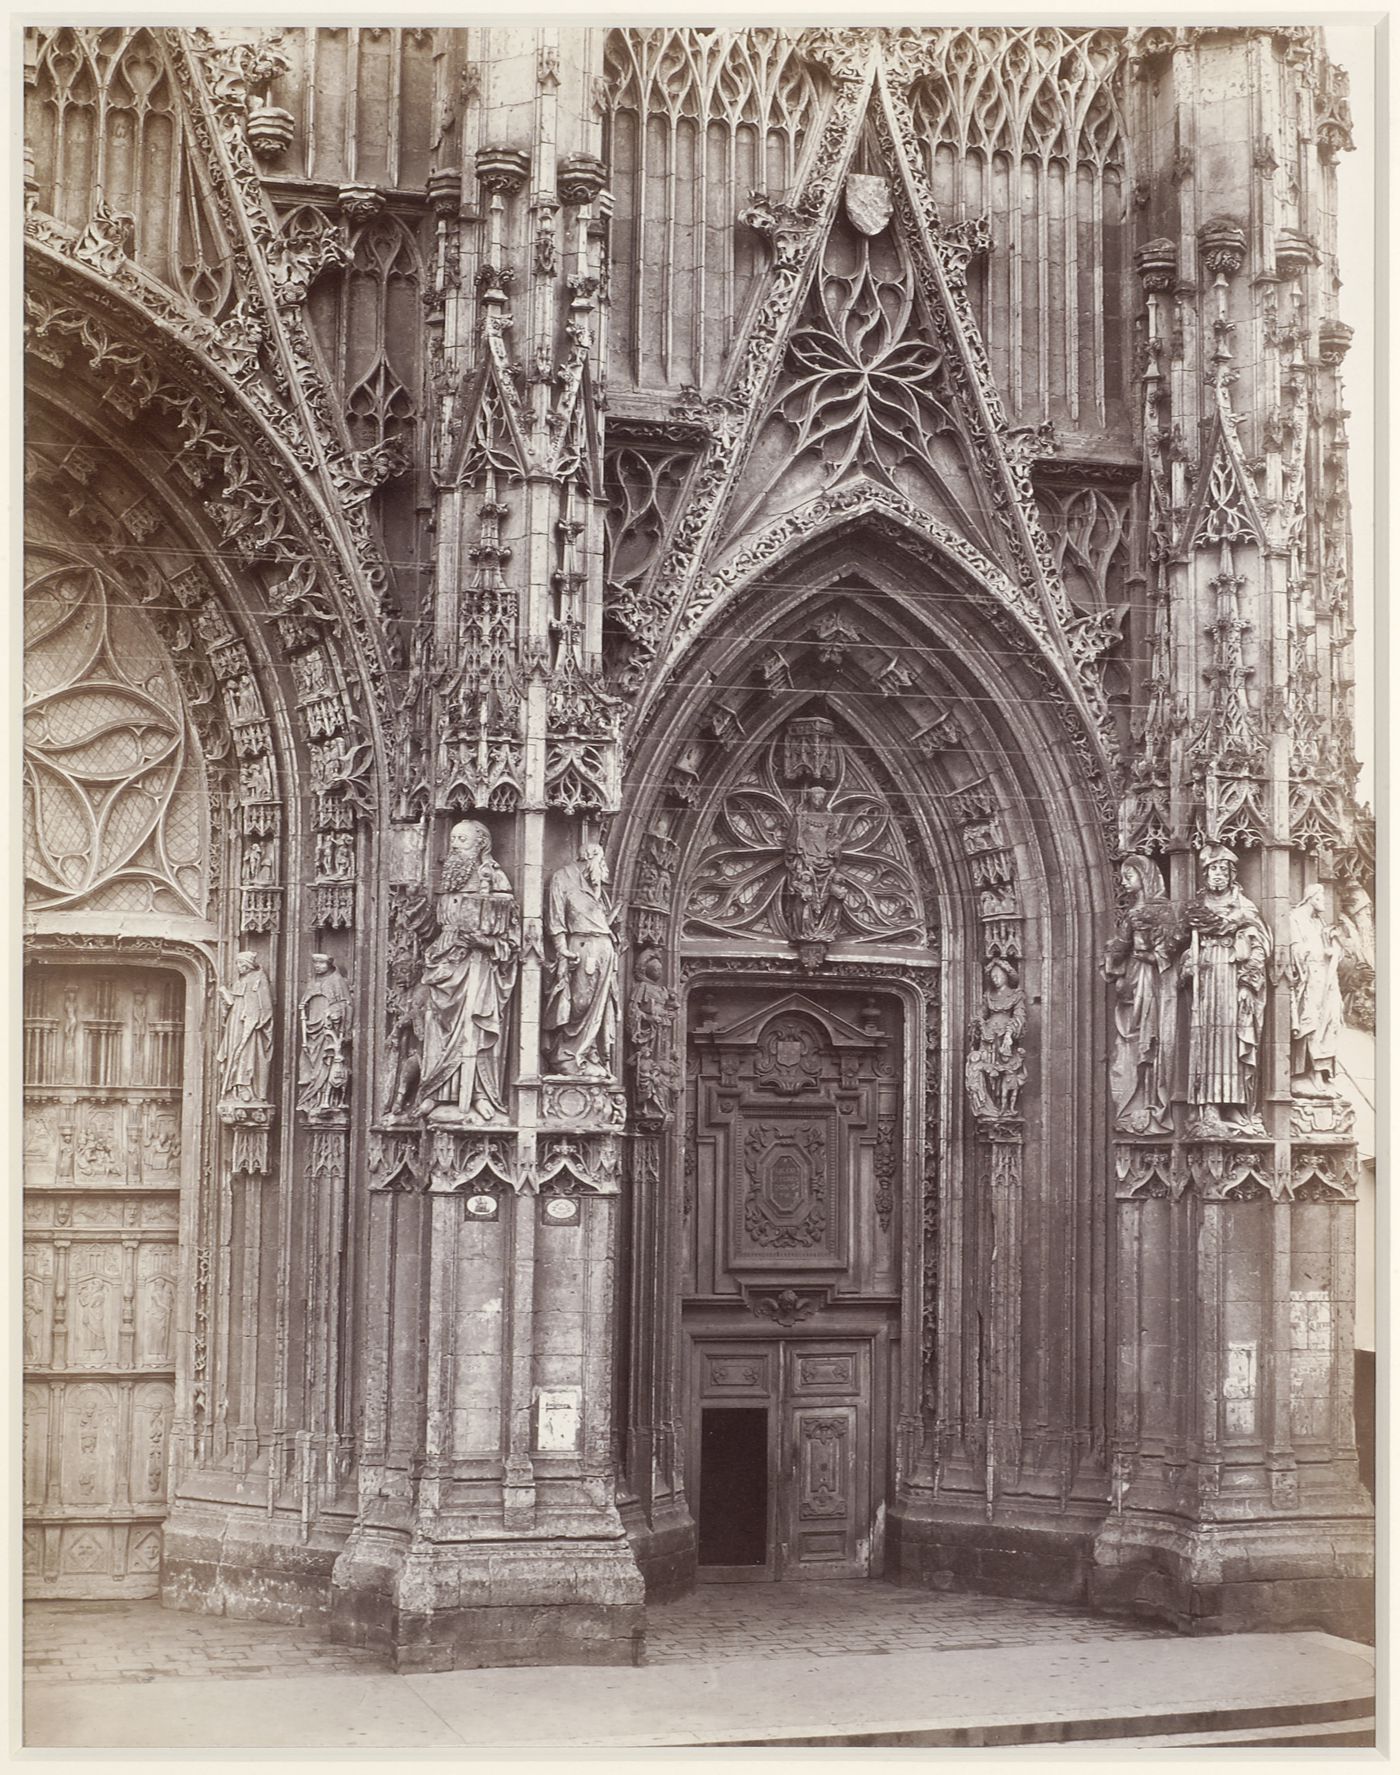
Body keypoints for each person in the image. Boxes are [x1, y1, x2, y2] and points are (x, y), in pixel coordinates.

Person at [417, 820, 519, 1121]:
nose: (455, 844)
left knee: (473, 1026)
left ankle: (477, 1094)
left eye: (463, 839)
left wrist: (486, 943)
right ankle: (436, 1092)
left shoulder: (492, 876)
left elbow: (512, 934)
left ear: (481, 844)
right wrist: (413, 903)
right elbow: (431, 928)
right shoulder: (448, 881)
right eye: (453, 839)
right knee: (439, 1026)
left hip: (477, 964)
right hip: (444, 962)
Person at [1179, 844, 1271, 1137]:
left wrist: (1247, 983)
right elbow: (1178, 945)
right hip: (1206, 978)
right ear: (1204, 875)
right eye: (1212, 870)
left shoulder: (1244, 907)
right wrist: (1187, 963)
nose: (1217, 876)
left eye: (1223, 870)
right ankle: (1208, 1107)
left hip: (1232, 976)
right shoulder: (1195, 908)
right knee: (1206, 1041)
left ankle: (1235, 1103)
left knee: (1233, 1040)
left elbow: (1259, 945)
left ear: (1231, 875)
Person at [1104, 853, 1183, 1135]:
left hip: (1153, 979)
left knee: (1151, 1036)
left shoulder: (1160, 910)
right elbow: (1121, 944)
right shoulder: (1133, 913)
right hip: (1135, 980)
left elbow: (1169, 948)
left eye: (1129, 877)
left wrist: (1148, 954)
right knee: (1134, 1035)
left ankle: (1153, 1102)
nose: (1125, 883)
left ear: (1145, 876)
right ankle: (1136, 1101)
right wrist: (1112, 961)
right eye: (1123, 878)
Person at [544, 844, 619, 1078]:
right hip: (581, 948)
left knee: (600, 1007)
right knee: (580, 1004)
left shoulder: (596, 886)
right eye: (602, 861)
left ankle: (589, 1054)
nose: (605, 868)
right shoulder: (563, 877)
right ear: (591, 857)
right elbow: (555, 918)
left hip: (604, 948)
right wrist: (562, 950)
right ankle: (566, 1056)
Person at [1287, 885, 1344, 1096]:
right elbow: (1295, 948)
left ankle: (1322, 1072)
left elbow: (1331, 949)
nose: (1324, 901)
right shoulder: (1295, 918)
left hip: (1326, 979)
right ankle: (1309, 1072)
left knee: (1330, 1022)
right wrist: (1312, 952)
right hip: (1309, 979)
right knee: (1310, 1023)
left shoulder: (1319, 922)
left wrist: (1332, 949)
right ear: (1310, 897)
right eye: (1320, 897)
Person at [296, 953, 353, 1118]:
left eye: (321, 963)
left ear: (329, 964)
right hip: (312, 1030)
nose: (317, 966)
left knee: (327, 1062)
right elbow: (306, 1003)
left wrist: (335, 1013)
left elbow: (345, 1004)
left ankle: (327, 1101)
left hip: (328, 1030)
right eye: (315, 964)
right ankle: (312, 1099)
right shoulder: (313, 982)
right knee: (309, 1063)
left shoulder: (337, 981)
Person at [217, 949, 274, 1109]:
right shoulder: (239, 981)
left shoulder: (259, 978)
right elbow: (232, 1003)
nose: (239, 967)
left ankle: (246, 1086)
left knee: (247, 1053)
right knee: (233, 1051)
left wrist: (257, 1021)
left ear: (250, 965)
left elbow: (266, 1005)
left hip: (250, 1023)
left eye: (242, 964)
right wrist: (226, 1000)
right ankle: (234, 1087)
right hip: (235, 1023)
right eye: (237, 964)